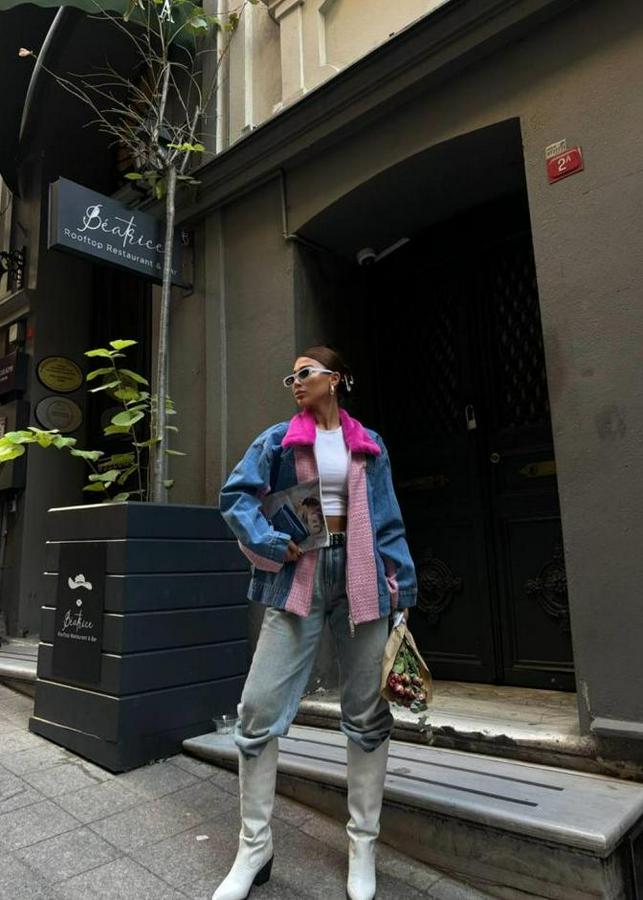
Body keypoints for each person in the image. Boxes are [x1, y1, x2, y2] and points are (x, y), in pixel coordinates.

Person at [213, 345, 417, 900]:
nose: (295, 383)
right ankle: (254, 848)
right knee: (257, 710)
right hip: (299, 573)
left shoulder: (369, 443)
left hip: (363, 576)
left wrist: (403, 588)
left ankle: (363, 846)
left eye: (305, 373)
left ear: (337, 378)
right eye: (291, 377)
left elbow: (388, 521)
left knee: (367, 715)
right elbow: (235, 497)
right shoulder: (278, 439)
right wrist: (268, 541)